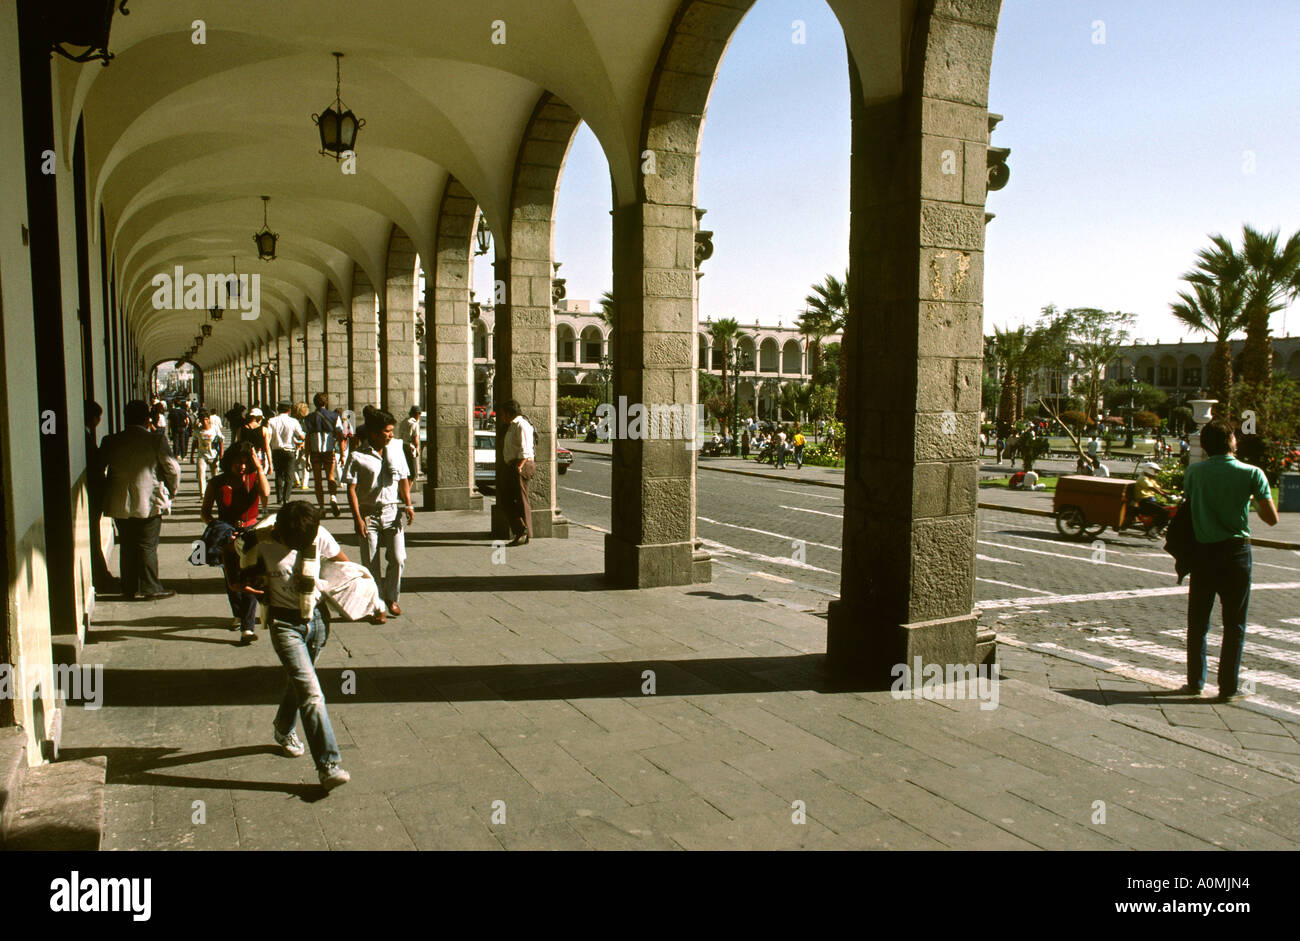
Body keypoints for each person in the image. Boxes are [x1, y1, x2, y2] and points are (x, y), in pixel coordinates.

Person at [235, 501, 352, 791]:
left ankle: (283, 727)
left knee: (299, 682)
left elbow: (344, 567)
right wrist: (243, 584)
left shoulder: (318, 534)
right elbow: (234, 563)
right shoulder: (258, 540)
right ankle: (328, 766)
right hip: (284, 625)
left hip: (318, 621)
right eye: (292, 544)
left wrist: (326, 585)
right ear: (279, 532)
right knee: (311, 692)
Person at [1181, 420, 1278, 701]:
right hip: (1235, 553)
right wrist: (1250, 498)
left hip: (1202, 553)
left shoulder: (1194, 472)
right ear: (1232, 441)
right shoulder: (1252, 473)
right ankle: (1228, 688)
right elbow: (1271, 519)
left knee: (1198, 622)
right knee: (1234, 624)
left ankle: (1195, 682)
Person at [100, 399, 180, 600]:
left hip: (119, 502)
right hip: (149, 502)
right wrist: (171, 490)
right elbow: (172, 469)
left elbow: (98, 468)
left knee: (126, 544)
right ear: (147, 419)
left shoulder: (110, 440)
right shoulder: (155, 440)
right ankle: (150, 587)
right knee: (147, 545)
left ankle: (128, 588)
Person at [343, 410, 414, 617]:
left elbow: (402, 479)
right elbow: (351, 489)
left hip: (392, 512)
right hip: (368, 514)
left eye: (392, 431)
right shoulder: (357, 456)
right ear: (374, 433)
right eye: (387, 431)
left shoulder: (396, 449)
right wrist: (357, 518)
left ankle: (392, 597)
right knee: (371, 563)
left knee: (398, 557)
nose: (391, 435)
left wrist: (408, 505)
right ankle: (378, 605)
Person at [200, 442, 270, 644]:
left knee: (248, 575)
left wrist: (258, 468)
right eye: (238, 463)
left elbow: (265, 495)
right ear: (229, 462)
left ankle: (247, 628)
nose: (242, 467)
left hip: (250, 532)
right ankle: (238, 614)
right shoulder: (217, 483)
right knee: (231, 578)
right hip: (227, 533)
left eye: (246, 463)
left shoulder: (254, 478)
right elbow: (205, 512)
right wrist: (218, 527)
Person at [85, 401, 116, 592]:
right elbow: (97, 463)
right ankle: (100, 576)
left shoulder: (85, 436)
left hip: (93, 493)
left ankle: (101, 574)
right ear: (95, 418)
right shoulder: (86, 438)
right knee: (93, 535)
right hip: (94, 494)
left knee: (93, 535)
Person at [498, 399, 535, 546]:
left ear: (509, 413)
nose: (501, 417)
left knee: (521, 500)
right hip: (512, 465)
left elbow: (525, 449)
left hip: (521, 465)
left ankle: (524, 533)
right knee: (505, 499)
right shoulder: (511, 426)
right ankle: (521, 529)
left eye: (502, 414)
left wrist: (520, 467)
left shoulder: (522, 425)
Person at [302, 393, 345, 516]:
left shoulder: (308, 418)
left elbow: (308, 440)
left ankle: (321, 507)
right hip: (329, 451)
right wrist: (342, 455)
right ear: (326, 403)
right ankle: (333, 497)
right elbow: (340, 437)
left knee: (317, 481)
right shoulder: (334, 416)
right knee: (331, 477)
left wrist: (307, 459)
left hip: (315, 453)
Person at [267, 401, 306, 504]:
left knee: (278, 475)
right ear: (289, 410)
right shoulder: (293, 421)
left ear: (278, 409)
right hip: (289, 451)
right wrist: (300, 443)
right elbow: (302, 436)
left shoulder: (271, 421)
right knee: (289, 475)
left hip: (276, 451)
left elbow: (269, 437)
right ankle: (286, 498)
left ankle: (279, 498)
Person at [191, 408, 225, 497]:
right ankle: (203, 493)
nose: (204, 421)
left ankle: (215, 492)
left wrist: (221, 454)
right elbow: (194, 443)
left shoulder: (214, 428)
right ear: (200, 421)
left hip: (213, 456)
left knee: (215, 475)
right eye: (202, 420)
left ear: (208, 419)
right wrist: (191, 456)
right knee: (201, 474)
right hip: (202, 456)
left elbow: (221, 440)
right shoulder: (197, 430)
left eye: (206, 419)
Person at [1132, 461, 1171, 535]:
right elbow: (1152, 488)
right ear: (1149, 469)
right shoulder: (1143, 478)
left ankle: (1158, 527)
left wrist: (1170, 493)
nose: (1156, 473)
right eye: (1155, 471)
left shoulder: (1150, 479)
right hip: (1144, 501)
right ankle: (1154, 530)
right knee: (1164, 512)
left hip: (1150, 500)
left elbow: (1158, 488)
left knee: (1168, 508)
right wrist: (1163, 495)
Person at [291, 402, 312, 491]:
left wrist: (296, 442)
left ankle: (296, 480)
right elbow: (309, 433)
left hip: (295, 444)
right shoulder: (308, 421)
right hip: (305, 443)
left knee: (294, 464)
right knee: (305, 463)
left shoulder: (293, 420)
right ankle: (304, 484)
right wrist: (304, 442)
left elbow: (291, 433)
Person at [400, 405, 421, 480]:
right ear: (418, 414)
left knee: (405, 471)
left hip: (402, 446)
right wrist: (417, 449)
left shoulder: (403, 421)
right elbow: (415, 438)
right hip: (410, 447)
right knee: (412, 473)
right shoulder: (414, 423)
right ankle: (407, 491)